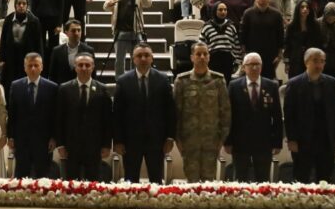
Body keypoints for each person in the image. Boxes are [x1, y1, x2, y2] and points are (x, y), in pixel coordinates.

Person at [113, 44, 176, 184]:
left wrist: (170, 137)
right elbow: (117, 114)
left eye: (146, 55)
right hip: (130, 141)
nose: (143, 58)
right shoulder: (123, 81)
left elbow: (170, 111)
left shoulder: (163, 80)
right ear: (133, 59)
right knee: (130, 181)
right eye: (139, 55)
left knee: (156, 180)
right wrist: (118, 140)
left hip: (156, 140)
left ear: (152, 58)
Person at [284, 48, 335, 184]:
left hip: (326, 140)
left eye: (322, 61)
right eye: (315, 61)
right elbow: (289, 115)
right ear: (306, 62)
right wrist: (292, 139)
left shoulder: (332, 83)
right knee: (301, 179)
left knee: (325, 180)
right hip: (303, 140)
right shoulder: (294, 84)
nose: (319, 65)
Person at [173, 43, 230, 182]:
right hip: (189, 142)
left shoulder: (218, 80)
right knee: (192, 184)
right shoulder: (182, 81)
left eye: (205, 54)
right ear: (192, 57)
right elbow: (175, 113)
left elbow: (225, 112)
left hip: (211, 142)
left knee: (208, 185)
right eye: (198, 54)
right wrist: (178, 140)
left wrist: (221, 140)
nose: (202, 57)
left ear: (209, 57)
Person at [225, 53, 282, 182]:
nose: (255, 67)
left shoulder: (272, 86)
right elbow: (229, 115)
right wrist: (228, 141)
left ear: (261, 67)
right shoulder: (234, 86)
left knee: (263, 180)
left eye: (257, 64)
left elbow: (277, 116)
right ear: (244, 67)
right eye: (251, 64)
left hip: (264, 142)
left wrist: (277, 142)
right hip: (240, 142)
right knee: (239, 179)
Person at [54, 53, 112, 181]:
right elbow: (59, 118)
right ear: (75, 67)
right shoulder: (64, 89)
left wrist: (106, 145)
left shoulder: (102, 89)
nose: (84, 68)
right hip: (71, 146)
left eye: (87, 65)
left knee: (93, 184)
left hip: (94, 146)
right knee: (71, 184)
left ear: (92, 67)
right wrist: (60, 144)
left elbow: (107, 120)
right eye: (80, 65)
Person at [6, 52, 60, 179]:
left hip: (43, 141)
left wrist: (54, 137)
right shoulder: (16, 86)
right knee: (21, 178)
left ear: (42, 67)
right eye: (30, 65)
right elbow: (12, 113)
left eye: (36, 65)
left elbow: (55, 115)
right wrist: (10, 136)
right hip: (22, 140)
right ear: (25, 68)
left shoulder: (52, 87)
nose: (33, 68)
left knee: (43, 178)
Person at [103, 0, 153, 77]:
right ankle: (120, 82)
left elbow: (148, 4)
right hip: (120, 31)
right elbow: (105, 6)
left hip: (136, 30)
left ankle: (134, 80)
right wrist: (109, 4)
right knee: (119, 61)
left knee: (136, 60)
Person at [0, 0, 43, 88]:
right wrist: (2, 59)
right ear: (15, 5)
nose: (21, 6)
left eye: (24, 4)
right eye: (19, 3)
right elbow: (3, 39)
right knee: (10, 82)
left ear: (27, 5)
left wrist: (39, 59)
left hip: (27, 55)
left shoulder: (34, 21)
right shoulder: (8, 19)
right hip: (11, 56)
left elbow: (39, 42)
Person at [240, 0, 285, 81]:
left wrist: (280, 55)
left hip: (270, 56)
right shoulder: (248, 14)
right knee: (251, 81)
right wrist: (244, 53)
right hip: (252, 54)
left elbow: (280, 35)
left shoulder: (277, 14)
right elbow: (243, 34)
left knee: (268, 81)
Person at [284, 0, 324, 79]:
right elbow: (287, 45)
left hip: (311, 58)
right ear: (298, 9)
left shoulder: (315, 25)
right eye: (302, 7)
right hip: (295, 59)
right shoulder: (291, 26)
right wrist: (287, 62)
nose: (305, 9)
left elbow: (319, 43)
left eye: (307, 7)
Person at [47, 19, 94, 85]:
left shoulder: (88, 50)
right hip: (62, 88)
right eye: (73, 30)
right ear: (66, 33)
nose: (77, 33)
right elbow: (52, 75)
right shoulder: (57, 51)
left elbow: (93, 74)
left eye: (79, 30)